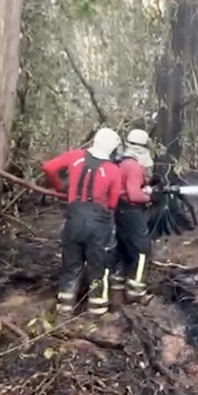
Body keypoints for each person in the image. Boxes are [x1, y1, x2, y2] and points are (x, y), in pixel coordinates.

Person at [42, 128, 122, 315]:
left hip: (74, 220)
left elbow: (48, 167)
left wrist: (60, 186)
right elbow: (112, 202)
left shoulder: (75, 156)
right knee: (98, 266)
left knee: (71, 264)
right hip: (98, 224)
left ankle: (65, 308)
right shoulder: (113, 170)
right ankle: (97, 311)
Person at [111, 129, 156, 303]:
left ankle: (117, 291)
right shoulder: (134, 165)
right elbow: (134, 195)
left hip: (118, 210)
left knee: (122, 249)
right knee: (142, 251)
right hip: (131, 210)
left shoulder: (121, 161)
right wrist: (151, 197)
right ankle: (136, 293)